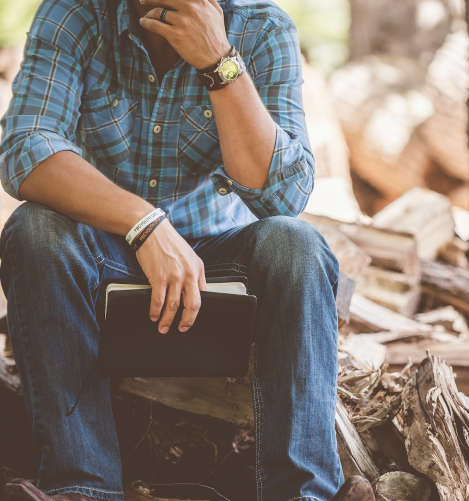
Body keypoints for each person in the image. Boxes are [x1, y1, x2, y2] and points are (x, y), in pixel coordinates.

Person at [0, 0, 374, 499]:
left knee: (297, 245)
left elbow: (284, 195)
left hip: (220, 269)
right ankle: (82, 487)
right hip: (101, 260)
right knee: (35, 229)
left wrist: (220, 63)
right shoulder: (74, 14)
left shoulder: (263, 27)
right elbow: (25, 149)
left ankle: (304, 492)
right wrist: (144, 223)